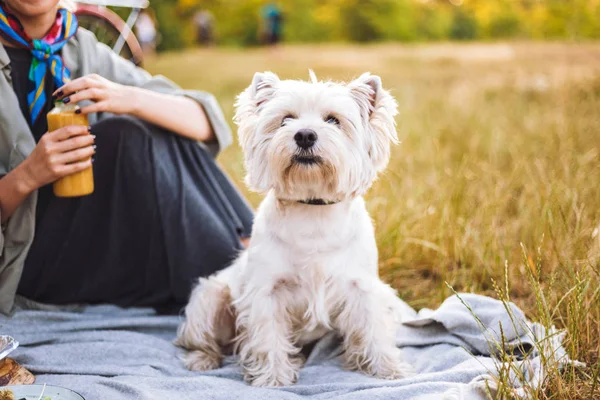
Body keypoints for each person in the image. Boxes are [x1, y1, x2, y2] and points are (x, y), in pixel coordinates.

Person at [0, 0, 253, 316]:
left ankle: (250, 259)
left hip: (88, 241)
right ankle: (243, 281)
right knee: (124, 136)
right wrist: (28, 175)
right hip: (22, 264)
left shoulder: (79, 48)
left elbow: (203, 121)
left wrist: (129, 98)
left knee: (156, 123)